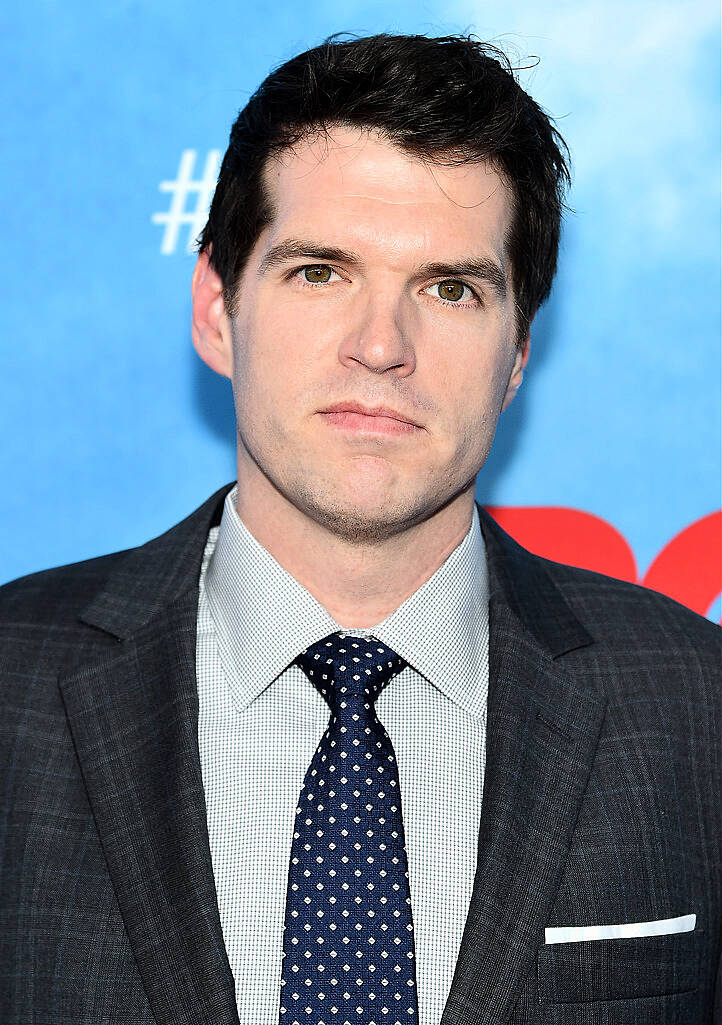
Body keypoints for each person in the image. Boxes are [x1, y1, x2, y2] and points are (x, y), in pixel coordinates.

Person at [1, 31, 719, 1025]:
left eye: (449, 288)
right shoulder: (10, 682)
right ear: (216, 307)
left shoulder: (695, 701)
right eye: (320, 272)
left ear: (516, 353)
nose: (380, 345)